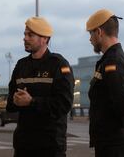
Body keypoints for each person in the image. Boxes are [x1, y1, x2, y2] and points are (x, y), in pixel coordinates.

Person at [6, 16, 74, 157]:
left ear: (44, 39)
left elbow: (64, 104)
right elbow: (11, 103)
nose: (24, 38)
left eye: (30, 35)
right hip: (23, 146)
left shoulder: (59, 64)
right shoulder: (21, 65)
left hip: (50, 146)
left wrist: (31, 102)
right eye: (24, 34)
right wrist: (15, 101)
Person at [86, 9, 124, 157]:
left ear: (99, 32)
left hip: (116, 144)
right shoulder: (115, 59)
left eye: (91, 33)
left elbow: (121, 102)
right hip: (113, 141)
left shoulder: (112, 62)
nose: (90, 39)